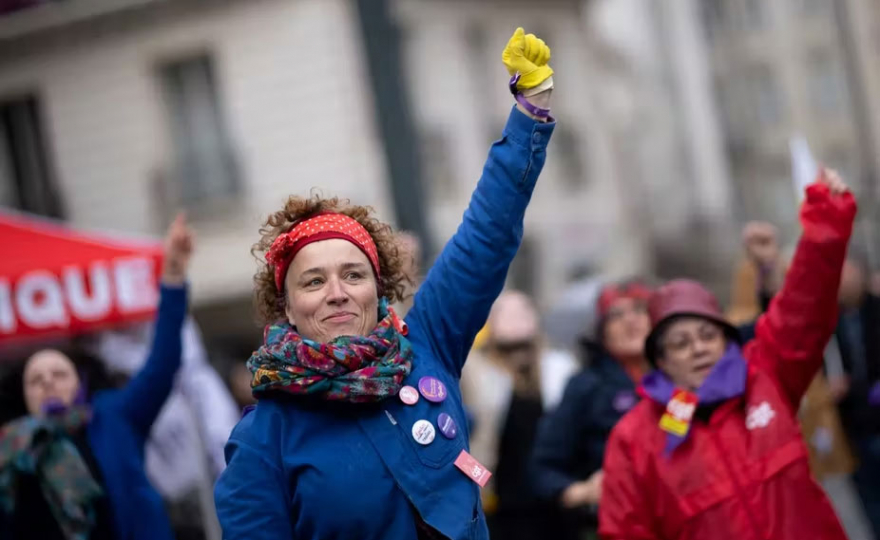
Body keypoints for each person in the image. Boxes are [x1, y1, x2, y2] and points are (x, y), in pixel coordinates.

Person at [213, 27, 556, 540]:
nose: (337, 292)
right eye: (313, 281)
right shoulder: (263, 440)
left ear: (378, 288)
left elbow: (484, 237)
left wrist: (529, 114)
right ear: (286, 306)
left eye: (353, 274)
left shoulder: (428, 346)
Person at [599, 169, 857, 540]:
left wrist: (826, 218)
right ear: (662, 361)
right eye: (680, 343)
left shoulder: (765, 376)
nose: (698, 348)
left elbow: (805, 306)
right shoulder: (633, 440)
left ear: (725, 341)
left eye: (708, 335)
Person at [0, 214, 193, 540]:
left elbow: (162, 364)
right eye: (36, 380)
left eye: (58, 374)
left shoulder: (115, 415)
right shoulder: (10, 450)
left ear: (80, 384)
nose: (48, 382)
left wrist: (172, 278)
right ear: (25, 396)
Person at [531, 279, 652, 537]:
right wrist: (583, 492)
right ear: (601, 332)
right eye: (616, 314)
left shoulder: (679, 380)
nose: (631, 321)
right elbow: (543, 468)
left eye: (640, 309)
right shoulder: (586, 386)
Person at [460, 290, 577, 540]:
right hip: (497, 504)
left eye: (523, 310)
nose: (515, 317)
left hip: (554, 503)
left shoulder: (560, 367)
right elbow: (458, 438)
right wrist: (472, 481)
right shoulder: (473, 371)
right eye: (505, 311)